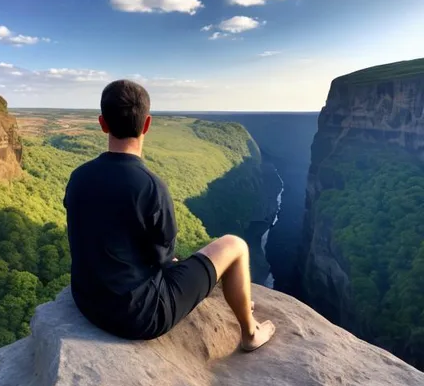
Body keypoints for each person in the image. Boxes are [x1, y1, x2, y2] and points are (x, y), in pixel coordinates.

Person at [64, 80, 275, 351]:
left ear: (102, 123)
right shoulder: (149, 185)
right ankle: (250, 334)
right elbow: (164, 256)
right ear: (147, 125)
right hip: (138, 318)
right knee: (235, 245)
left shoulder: (79, 177)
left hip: (86, 301)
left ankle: (229, 295)